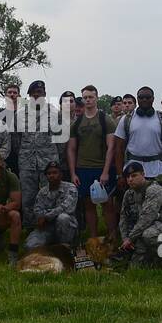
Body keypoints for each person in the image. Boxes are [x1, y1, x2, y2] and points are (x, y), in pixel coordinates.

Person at [66, 84, 119, 242]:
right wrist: (73, 173)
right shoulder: (77, 123)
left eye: (91, 97)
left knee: (107, 204)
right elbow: (71, 149)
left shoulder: (105, 120)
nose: (88, 100)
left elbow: (112, 147)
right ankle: (94, 237)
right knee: (88, 205)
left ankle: (112, 236)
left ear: (96, 98)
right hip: (83, 169)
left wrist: (105, 172)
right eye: (85, 97)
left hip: (102, 168)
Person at [117, 161, 162, 269]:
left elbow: (147, 218)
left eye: (134, 176)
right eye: (128, 177)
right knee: (135, 267)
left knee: (149, 234)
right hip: (144, 229)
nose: (130, 179)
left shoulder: (154, 191)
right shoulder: (129, 194)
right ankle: (153, 258)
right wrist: (125, 239)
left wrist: (130, 239)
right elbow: (123, 217)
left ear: (143, 174)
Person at [16, 80, 60, 227]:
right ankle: (30, 227)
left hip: (48, 161)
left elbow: (60, 138)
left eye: (39, 93)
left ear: (44, 95)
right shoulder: (20, 113)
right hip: (27, 162)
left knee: (51, 195)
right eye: (33, 94)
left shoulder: (54, 112)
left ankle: (52, 226)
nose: (36, 96)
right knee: (28, 197)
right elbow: (16, 138)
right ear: (29, 96)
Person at [113, 86, 162, 179]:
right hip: (132, 171)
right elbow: (118, 148)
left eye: (148, 97)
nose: (144, 100)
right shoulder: (126, 119)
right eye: (141, 97)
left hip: (158, 172)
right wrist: (119, 175)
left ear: (153, 99)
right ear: (137, 99)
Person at [25, 161, 78, 248]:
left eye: (55, 172)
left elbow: (66, 209)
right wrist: (44, 217)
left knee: (63, 217)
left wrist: (46, 216)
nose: (51, 175)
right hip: (47, 227)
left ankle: (66, 247)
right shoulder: (42, 192)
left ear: (61, 174)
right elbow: (37, 212)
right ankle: (49, 249)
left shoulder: (70, 188)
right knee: (30, 246)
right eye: (49, 173)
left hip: (65, 227)